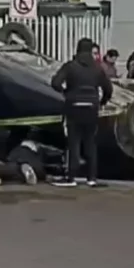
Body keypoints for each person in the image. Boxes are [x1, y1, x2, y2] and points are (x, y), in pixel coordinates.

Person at [50, 37, 113, 188]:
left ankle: (71, 178)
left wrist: (66, 92)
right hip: (92, 107)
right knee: (90, 142)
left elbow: (55, 83)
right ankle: (91, 178)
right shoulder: (98, 68)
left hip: (74, 106)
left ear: (77, 49)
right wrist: (101, 102)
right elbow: (108, 89)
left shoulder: (70, 66)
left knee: (74, 142)